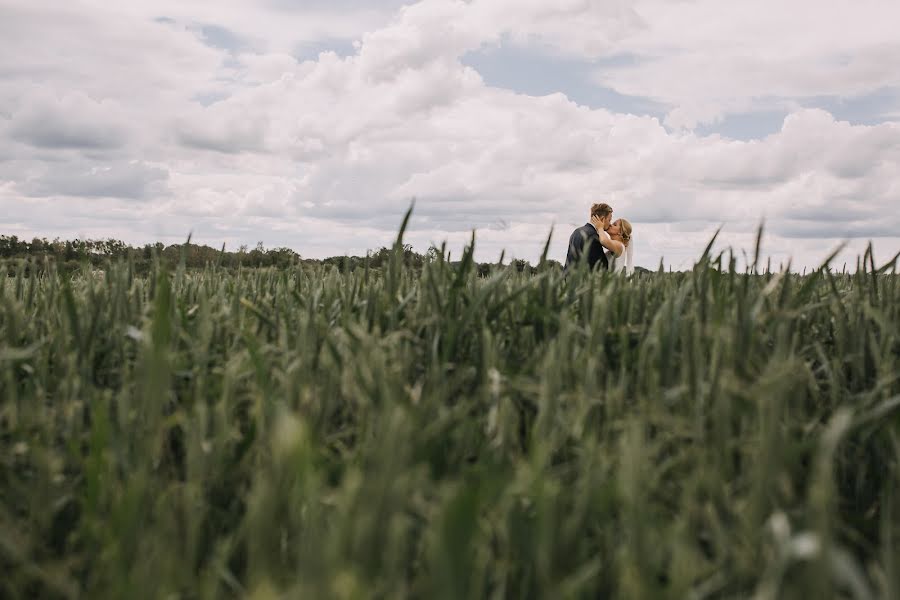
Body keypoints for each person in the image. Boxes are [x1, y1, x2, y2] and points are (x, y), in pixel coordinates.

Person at [564, 203, 624, 271]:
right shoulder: (593, 236)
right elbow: (599, 267)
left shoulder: (577, 231)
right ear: (602, 219)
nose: (610, 224)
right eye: (609, 220)